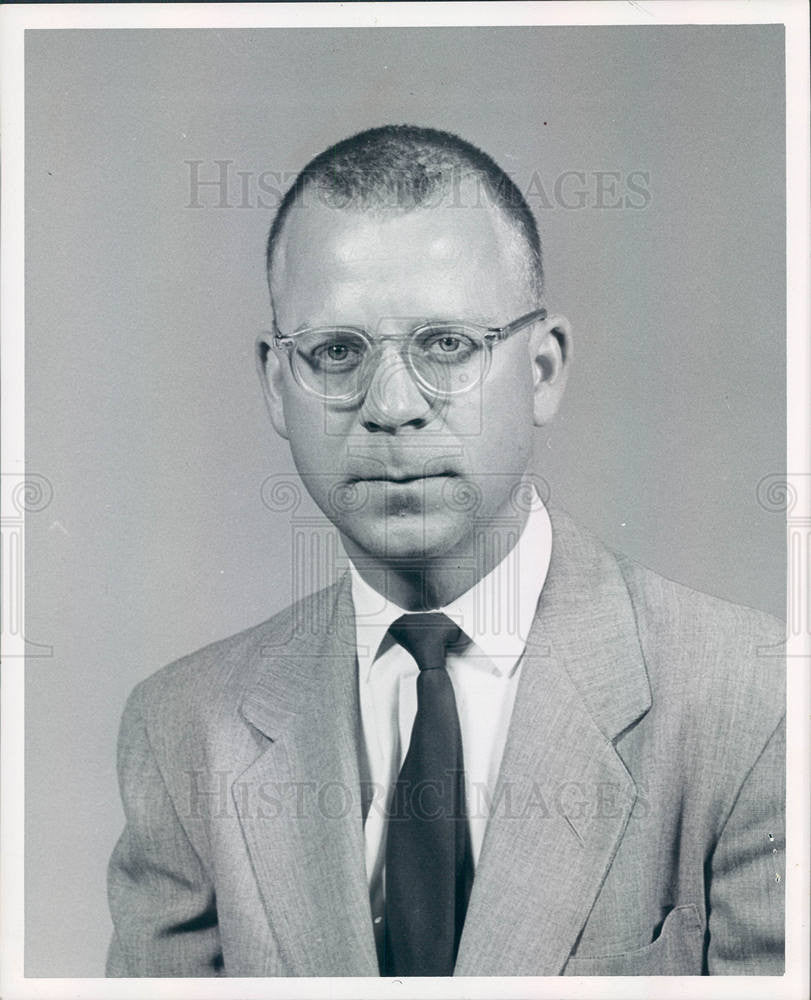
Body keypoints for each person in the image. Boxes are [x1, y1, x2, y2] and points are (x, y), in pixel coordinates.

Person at [106, 125, 785, 977]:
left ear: (542, 370)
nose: (391, 406)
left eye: (446, 345)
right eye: (336, 353)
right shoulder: (182, 731)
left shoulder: (757, 701)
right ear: (278, 386)